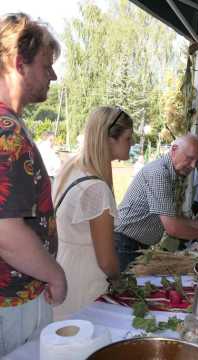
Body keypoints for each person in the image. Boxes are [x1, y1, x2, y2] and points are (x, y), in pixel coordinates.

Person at [0, 13, 67, 355]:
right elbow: (6, 235)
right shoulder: (5, 130)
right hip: (12, 307)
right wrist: (55, 274)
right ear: (18, 63)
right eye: (46, 64)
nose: (53, 74)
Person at [52, 106, 133, 319]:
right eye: (128, 138)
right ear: (110, 139)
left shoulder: (71, 167)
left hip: (62, 268)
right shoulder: (96, 189)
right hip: (83, 283)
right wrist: (120, 280)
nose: (131, 144)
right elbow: (106, 260)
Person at [114, 134, 198, 271]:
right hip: (124, 243)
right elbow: (173, 227)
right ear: (174, 149)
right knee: (123, 288)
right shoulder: (159, 173)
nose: (193, 165)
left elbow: (175, 217)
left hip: (134, 244)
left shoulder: (174, 173)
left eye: (197, 161)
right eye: (190, 158)